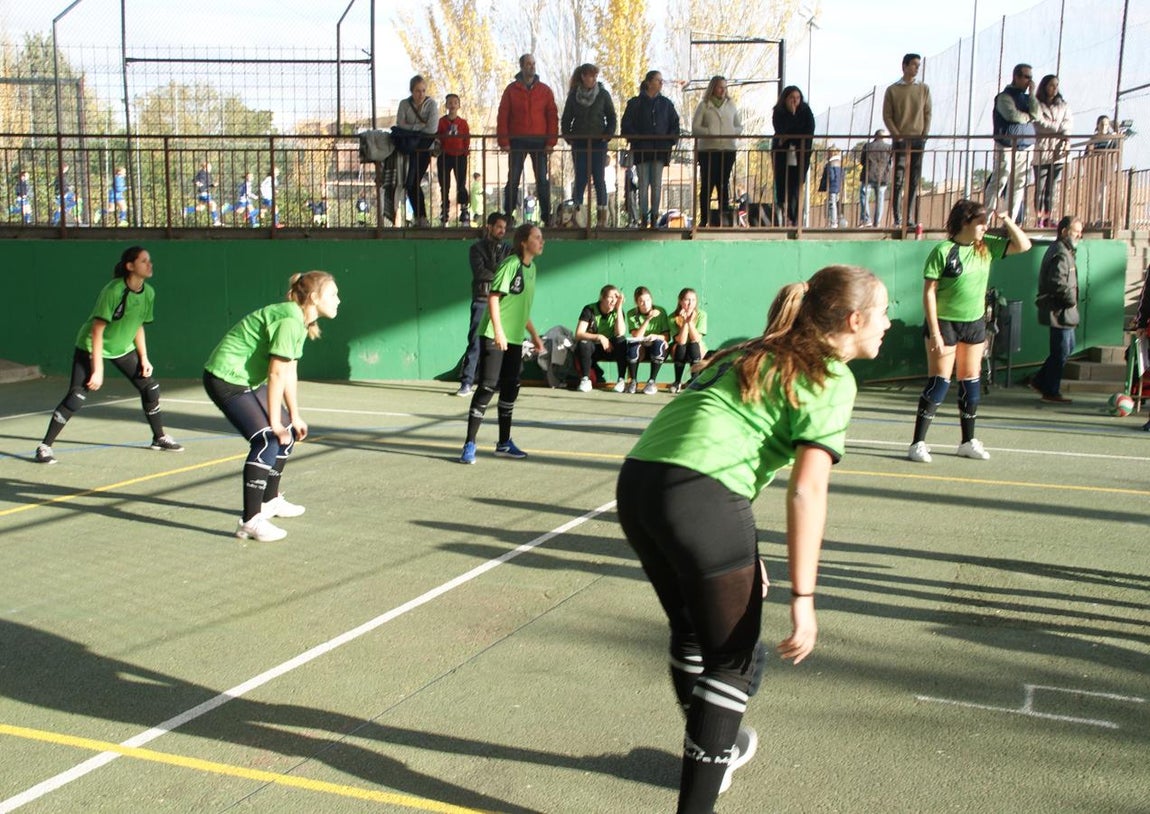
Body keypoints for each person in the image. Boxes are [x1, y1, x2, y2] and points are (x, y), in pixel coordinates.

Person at [616, 265, 891, 814]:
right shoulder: (832, 375)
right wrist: (805, 599)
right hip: (701, 495)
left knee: (694, 633)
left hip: (640, 482)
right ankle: (706, 768)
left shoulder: (752, 350)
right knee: (734, 665)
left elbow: (716, 439)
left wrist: (739, 552)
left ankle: (718, 746)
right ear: (855, 319)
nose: (888, 323)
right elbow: (807, 493)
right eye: (883, 312)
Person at [203, 271, 341, 542]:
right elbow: (276, 373)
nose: (339, 300)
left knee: (287, 432)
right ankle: (250, 521)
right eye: (333, 294)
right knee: (268, 439)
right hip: (225, 377)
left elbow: (289, 372)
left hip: (247, 381)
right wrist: (274, 424)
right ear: (314, 298)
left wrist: (294, 417)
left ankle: (269, 501)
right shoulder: (289, 320)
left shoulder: (300, 320)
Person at [907, 200, 1032, 463]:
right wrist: (935, 332)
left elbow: (1024, 245)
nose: (985, 227)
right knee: (940, 381)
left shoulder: (986, 247)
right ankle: (917, 443)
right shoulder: (943, 250)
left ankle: (967, 441)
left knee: (970, 379)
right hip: (944, 323)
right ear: (965, 223)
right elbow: (929, 293)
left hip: (974, 323)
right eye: (980, 223)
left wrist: (1007, 220)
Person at [34, 246, 184, 465]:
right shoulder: (114, 291)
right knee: (76, 397)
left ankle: (159, 437)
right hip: (90, 346)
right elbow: (97, 330)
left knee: (150, 388)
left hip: (122, 348)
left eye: (149, 260)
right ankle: (44, 446)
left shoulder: (148, 293)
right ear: (130, 266)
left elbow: (138, 325)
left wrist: (144, 357)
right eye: (144, 261)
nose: (149, 264)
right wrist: (97, 369)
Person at [458, 223, 545, 464]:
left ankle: (504, 443)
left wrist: (535, 336)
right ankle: (469, 444)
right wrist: (498, 331)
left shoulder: (532, 269)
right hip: (495, 335)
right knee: (487, 387)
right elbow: (493, 298)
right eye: (537, 238)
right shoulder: (511, 265)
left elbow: (519, 308)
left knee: (510, 388)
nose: (542, 241)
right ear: (524, 242)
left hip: (515, 338)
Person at [498, 54, 558, 227]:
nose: (532, 67)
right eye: (528, 64)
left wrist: (551, 142)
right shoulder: (511, 90)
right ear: (521, 67)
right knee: (513, 179)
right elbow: (503, 115)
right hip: (517, 140)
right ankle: (508, 215)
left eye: (533, 64)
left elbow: (552, 116)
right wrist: (504, 141)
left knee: (542, 179)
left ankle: (547, 216)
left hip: (539, 141)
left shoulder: (545, 91)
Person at [457, 212, 511, 397]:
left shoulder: (508, 250)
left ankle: (495, 382)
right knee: (475, 342)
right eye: (498, 227)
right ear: (489, 226)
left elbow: (510, 273)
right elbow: (480, 273)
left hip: (502, 302)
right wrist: (499, 272)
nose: (502, 231)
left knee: (500, 343)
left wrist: (495, 271)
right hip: (481, 299)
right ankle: (466, 383)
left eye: (504, 228)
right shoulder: (476, 249)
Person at [1030, 216, 1083, 403]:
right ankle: (1050, 390)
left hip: (1062, 310)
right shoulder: (1060, 252)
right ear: (1064, 231)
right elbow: (1057, 282)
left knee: (1065, 349)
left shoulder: (1063, 251)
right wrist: (1071, 301)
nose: (1079, 235)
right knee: (1061, 351)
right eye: (1076, 231)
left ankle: (1040, 381)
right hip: (1059, 310)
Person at [621, 70, 680, 228]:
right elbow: (626, 125)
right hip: (641, 150)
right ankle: (644, 217)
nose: (661, 83)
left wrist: (669, 141)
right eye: (658, 80)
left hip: (659, 150)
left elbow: (675, 125)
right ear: (648, 82)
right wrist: (638, 137)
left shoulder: (666, 104)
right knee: (643, 184)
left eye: (661, 80)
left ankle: (654, 216)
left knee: (656, 184)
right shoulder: (635, 103)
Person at [561, 62, 617, 227]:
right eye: (589, 76)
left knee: (599, 180)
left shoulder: (603, 95)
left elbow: (612, 117)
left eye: (594, 76)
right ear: (583, 77)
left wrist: (607, 135)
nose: (592, 79)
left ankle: (602, 220)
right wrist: (568, 136)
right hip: (579, 143)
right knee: (580, 180)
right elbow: (566, 118)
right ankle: (577, 218)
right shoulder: (573, 96)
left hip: (599, 143)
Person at [883, 54, 932, 229]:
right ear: (904, 66)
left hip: (918, 140)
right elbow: (887, 115)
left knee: (914, 179)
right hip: (901, 140)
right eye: (913, 65)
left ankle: (908, 217)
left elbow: (927, 113)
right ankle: (898, 218)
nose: (916, 68)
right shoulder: (892, 90)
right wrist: (897, 135)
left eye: (918, 65)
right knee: (898, 178)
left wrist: (924, 134)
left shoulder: (923, 89)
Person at [986, 63, 1038, 223]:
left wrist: (1033, 94)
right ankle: (985, 219)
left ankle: (1012, 221)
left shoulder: (1028, 98)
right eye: (1025, 77)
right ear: (1016, 77)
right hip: (1006, 146)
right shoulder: (1004, 97)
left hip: (1026, 146)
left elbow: (1036, 112)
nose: (1028, 81)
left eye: (1030, 77)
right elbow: (1013, 116)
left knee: (1019, 184)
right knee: (1000, 180)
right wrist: (1028, 117)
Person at [692, 75, 743, 227]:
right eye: (720, 87)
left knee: (723, 184)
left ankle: (724, 218)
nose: (723, 90)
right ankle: (704, 219)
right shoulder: (704, 105)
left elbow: (739, 126)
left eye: (725, 87)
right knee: (707, 185)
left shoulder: (731, 105)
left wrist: (732, 131)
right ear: (713, 88)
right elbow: (695, 128)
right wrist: (710, 132)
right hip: (708, 150)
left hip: (727, 149)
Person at [396, 75, 439, 228]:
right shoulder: (404, 104)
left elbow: (432, 128)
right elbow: (400, 124)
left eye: (423, 91)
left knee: (413, 181)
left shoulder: (432, 105)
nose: (421, 94)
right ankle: (419, 216)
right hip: (408, 149)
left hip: (424, 149)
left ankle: (421, 217)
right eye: (417, 91)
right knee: (410, 183)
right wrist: (420, 128)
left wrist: (412, 128)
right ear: (411, 91)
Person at [771, 85, 815, 227]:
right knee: (782, 183)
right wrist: (792, 114)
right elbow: (781, 130)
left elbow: (808, 130)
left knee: (796, 186)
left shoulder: (806, 111)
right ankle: (783, 215)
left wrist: (791, 135)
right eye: (791, 98)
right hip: (782, 153)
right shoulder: (778, 112)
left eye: (797, 98)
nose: (795, 101)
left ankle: (794, 218)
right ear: (785, 99)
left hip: (800, 153)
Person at [1032, 75, 1072, 229]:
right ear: (1044, 86)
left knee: (1051, 187)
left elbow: (1068, 123)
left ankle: (1048, 217)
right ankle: (1038, 218)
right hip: (1042, 149)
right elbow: (1039, 123)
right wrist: (1057, 129)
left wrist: (1064, 135)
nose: (1054, 89)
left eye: (1056, 85)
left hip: (1058, 150)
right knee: (1040, 187)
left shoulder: (1063, 105)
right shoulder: (1037, 105)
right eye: (1051, 85)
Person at [574, 284, 628, 392]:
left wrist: (619, 308)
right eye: (610, 297)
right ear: (602, 298)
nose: (614, 301)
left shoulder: (618, 311)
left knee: (621, 341)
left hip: (611, 348)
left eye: (616, 297)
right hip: (594, 349)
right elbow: (578, 334)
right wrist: (599, 337)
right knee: (583, 343)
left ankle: (621, 380)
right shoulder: (589, 310)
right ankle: (585, 379)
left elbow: (620, 332)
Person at [624, 286, 671, 394]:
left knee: (659, 344)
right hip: (641, 348)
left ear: (651, 300)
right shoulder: (632, 313)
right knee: (632, 346)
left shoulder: (660, 311)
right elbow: (636, 336)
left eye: (648, 300)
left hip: (654, 346)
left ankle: (651, 381)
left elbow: (667, 337)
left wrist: (656, 336)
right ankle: (633, 381)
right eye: (641, 301)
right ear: (637, 302)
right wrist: (648, 319)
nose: (645, 304)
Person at [436, 93, 472, 226]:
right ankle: (444, 212)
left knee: (461, 184)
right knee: (444, 185)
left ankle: (464, 211)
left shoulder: (463, 123)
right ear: (446, 105)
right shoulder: (441, 122)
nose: (452, 105)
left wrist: (465, 151)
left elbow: (467, 138)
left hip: (460, 156)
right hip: (444, 156)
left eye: (455, 102)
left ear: (459, 105)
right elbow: (437, 136)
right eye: (449, 102)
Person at [668, 287, 708, 394]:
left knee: (694, 344)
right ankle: (677, 382)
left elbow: (697, 338)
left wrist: (690, 322)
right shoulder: (672, 317)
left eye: (693, 300)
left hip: (696, 350)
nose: (690, 303)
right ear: (680, 301)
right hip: (680, 350)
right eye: (687, 300)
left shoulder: (701, 315)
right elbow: (681, 340)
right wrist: (685, 322)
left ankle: (694, 380)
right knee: (681, 346)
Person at [859, 129, 891, 227]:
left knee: (864, 196)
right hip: (882, 177)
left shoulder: (867, 146)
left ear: (875, 136)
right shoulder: (888, 148)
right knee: (880, 199)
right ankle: (877, 222)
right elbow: (890, 163)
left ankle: (866, 219)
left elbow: (862, 161)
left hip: (868, 175)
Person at [818, 148, 844, 227]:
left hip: (832, 186)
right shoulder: (840, 163)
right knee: (835, 203)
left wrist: (826, 184)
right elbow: (842, 175)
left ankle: (833, 222)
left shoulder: (830, 164)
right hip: (838, 186)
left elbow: (831, 176)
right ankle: (834, 221)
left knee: (832, 204)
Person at [193, 161, 220, 226]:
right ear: (206, 167)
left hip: (205, 193)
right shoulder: (202, 173)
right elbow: (194, 180)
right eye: (210, 167)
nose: (211, 168)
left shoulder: (208, 174)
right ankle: (216, 221)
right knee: (213, 204)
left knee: (201, 208)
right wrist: (197, 183)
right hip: (203, 193)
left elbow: (207, 184)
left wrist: (213, 185)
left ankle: (186, 210)